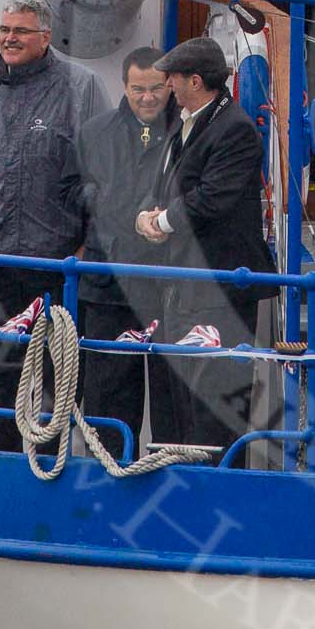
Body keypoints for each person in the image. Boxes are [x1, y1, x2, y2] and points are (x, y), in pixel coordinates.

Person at [0, 0, 105, 459]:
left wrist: (87, 245)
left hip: (52, 262)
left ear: (45, 38)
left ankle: (47, 468)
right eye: (5, 30)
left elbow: (103, 175)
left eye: (21, 32)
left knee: (55, 376)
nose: (10, 39)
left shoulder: (80, 87)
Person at [134, 35, 274, 449]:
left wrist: (161, 220)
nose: (168, 87)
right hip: (182, 285)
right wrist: (147, 213)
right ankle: (184, 476)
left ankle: (216, 483)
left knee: (214, 400)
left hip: (219, 289)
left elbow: (212, 197)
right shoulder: (186, 123)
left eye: (173, 78)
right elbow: (167, 181)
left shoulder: (235, 130)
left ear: (195, 81)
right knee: (181, 400)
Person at [69, 46, 178, 457]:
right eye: (138, 90)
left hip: (167, 287)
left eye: (155, 89)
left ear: (169, 86)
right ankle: (109, 474)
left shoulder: (187, 134)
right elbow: (70, 191)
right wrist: (101, 200)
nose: (147, 98)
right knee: (109, 394)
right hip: (108, 287)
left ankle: (171, 473)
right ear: (124, 86)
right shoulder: (94, 133)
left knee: (171, 398)